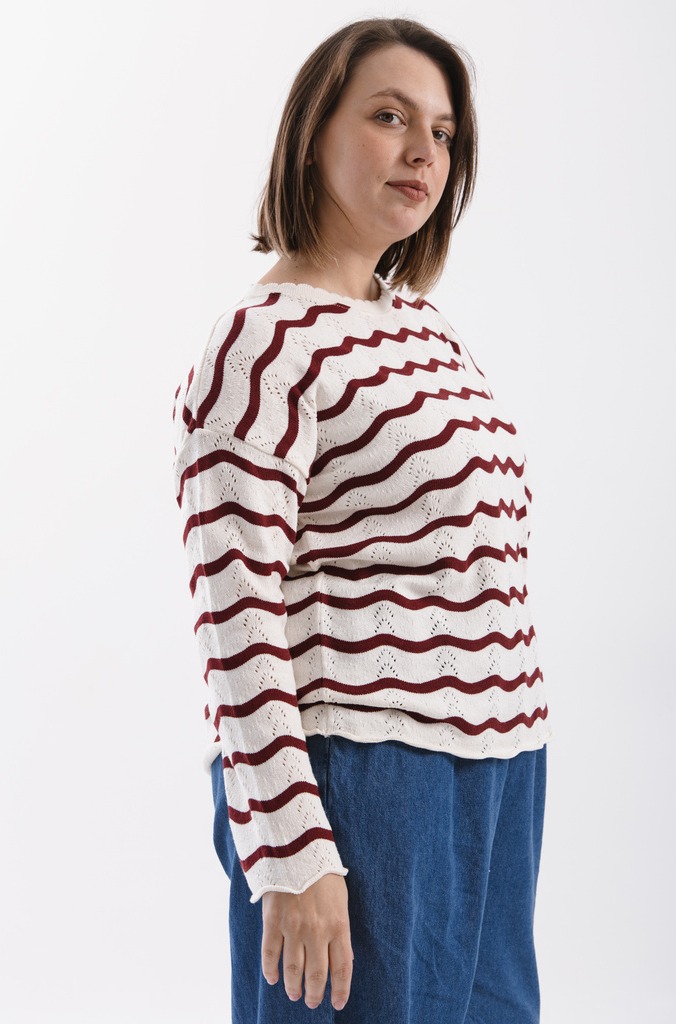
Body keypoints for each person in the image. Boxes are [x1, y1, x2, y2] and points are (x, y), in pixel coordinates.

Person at [172, 16, 552, 1024]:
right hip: (364, 776)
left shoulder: (424, 330)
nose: (423, 151)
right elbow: (233, 612)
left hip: (497, 770)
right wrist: (290, 848)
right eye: (388, 116)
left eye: (442, 132)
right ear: (311, 136)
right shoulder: (260, 344)